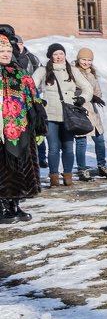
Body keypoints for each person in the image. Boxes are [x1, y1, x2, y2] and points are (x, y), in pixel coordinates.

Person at [33, 43, 92, 187]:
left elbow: (87, 87)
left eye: (61, 54)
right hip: (51, 115)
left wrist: (82, 98)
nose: (59, 57)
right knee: (53, 148)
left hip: (69, 116)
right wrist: (38, 100)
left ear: (65, 55)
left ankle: (68, 176)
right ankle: (54, 178)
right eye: (55, 54)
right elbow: (30, 86)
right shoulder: (43, 70)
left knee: (68, 147)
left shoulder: (72, 70)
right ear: (51, 56)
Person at [0, 32, 40, 223]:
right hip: (1, 129)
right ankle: (1, 206)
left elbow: (32, 96)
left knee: (17, 169)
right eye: (1, 50)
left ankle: (14, 204)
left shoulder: (19, 71)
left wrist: (37, 115)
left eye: (8, 50)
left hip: (20, 128)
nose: (6, 54)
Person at [72, 48, 107, 180]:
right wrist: (87, 96)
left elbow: (97, 90)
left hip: (93, 112)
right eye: (83, 59)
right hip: (80, 111)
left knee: (100, 140)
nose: (86, 62)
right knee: (81, 141)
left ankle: (102, 165)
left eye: (89, 60)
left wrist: (97, 96)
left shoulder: (92, 74)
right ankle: (82, 169)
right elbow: (72, 91)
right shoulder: (73, 72)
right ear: (78, 59)